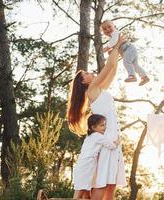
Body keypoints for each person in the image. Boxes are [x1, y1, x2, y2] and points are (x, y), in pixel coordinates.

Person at [67, 34, 127, 200]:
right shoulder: (92, 88)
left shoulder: (98, 88)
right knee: (103, 180)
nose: (89, 73)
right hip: (107, 136)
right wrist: (116, 46)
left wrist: (116, 51)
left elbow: (112, 70)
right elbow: (107, 68)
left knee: (111, 181)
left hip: (112, 133)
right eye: (85, 73)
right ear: (84, 82)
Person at [73, 114, 120, 199]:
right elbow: (111, 146)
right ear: (93, 127)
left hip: (82, 164)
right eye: (102, 125)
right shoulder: (98, 136)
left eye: (105, 124)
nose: (105, 127)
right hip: (86, 166)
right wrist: (117, 142)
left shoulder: (89, 136)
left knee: (84, 191)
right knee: (80, 191)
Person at [101, 19, 150, 86]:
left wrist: (106, 48)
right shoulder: (112, 38)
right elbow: (116, 46)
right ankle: (144, 77)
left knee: (126, 62)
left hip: (128, 49)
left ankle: (132, 76)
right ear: (103, 32)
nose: (107, 29)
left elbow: (114, 42)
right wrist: (111, 51)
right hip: (130, 50)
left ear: (114, 26)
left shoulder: (115, 33)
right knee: (135, 66)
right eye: (104, 29)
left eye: (109, 26)